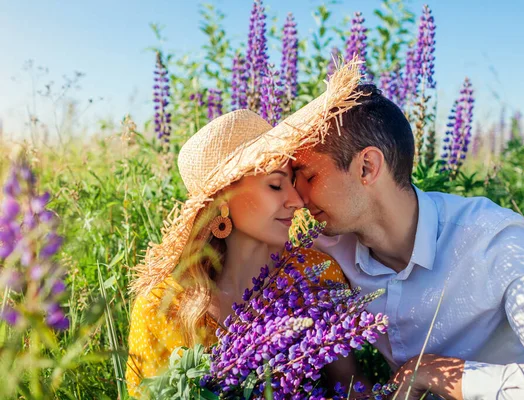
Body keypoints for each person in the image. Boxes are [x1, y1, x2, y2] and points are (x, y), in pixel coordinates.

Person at [290, 83, 524, 399]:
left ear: (367, 167)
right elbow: (349, 383)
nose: (297, 197)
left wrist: (431, 371)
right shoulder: (324, 256)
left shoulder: (490, 239)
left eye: (309, 177)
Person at [126, 60, 366, 397]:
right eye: (275, 185)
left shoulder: (316, 273)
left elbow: (352, 387)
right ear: (224, 200)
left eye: (293, 181)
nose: (297, 200)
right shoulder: (162, 306)